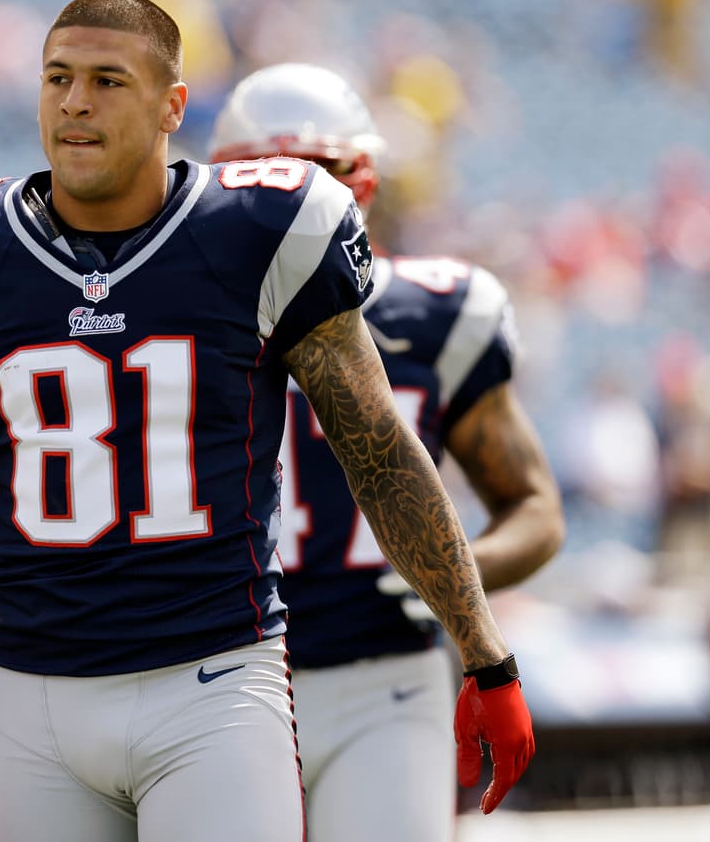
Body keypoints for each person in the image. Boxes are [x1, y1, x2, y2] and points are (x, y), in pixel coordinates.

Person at [0, 0, 533, 842]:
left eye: (107, 80)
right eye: (57, 77)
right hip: (31, 696)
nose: (75, 102)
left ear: (174, 107)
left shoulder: (259, 231)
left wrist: (484, 652)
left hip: (210, 683)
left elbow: (380, 455)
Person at [208, 62, 566, 839]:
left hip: (385, 676)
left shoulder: (436, 313)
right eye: (267, 176)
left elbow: (534, 508)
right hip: (214, 673)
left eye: (315, 174)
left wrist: (449, 573)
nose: (291, 201)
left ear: (361, 181)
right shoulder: (169, 312)